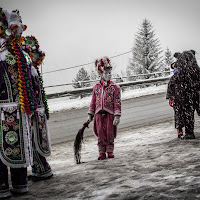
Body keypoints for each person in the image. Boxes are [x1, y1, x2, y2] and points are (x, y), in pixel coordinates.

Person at [0, 8, 37, 198]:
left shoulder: (21, 54)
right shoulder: (8, 55)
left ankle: (16, 184)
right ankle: (8, 185)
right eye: (16, 28)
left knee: (16, 146)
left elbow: (32, 83)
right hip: (8, 111)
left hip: (18, 111)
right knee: (7, 147)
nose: (19, 32)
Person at [22, 36, 53, 181]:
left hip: (35, 113)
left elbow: (32, 93)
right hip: (38, 111)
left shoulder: (31, 73)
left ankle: (42, 169)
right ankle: (39, 168)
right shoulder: (34, 72)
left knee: (35, 142)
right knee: (36, 141)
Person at [88, 57, 121, 160]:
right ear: (101, 74)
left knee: (109, 132)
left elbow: (117, 102)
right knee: (100, 133)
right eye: (106, 73)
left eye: (110, 73)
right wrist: (91, 113)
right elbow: (93, 101)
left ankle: (110, 151)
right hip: (98, 114)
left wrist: (117, 115)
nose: (109, 75)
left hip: (110, 114)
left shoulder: (115, 87)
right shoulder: (96, 87)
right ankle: (101, 152)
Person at [166, 50, 200, 139]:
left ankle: (189, 133)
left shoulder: (178, 76)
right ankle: (188, 133)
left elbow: (171, 85)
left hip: (185, 97)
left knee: (187, 113)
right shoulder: (197, 73)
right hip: (194, 94)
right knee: (190, 111)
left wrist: (171, 97)